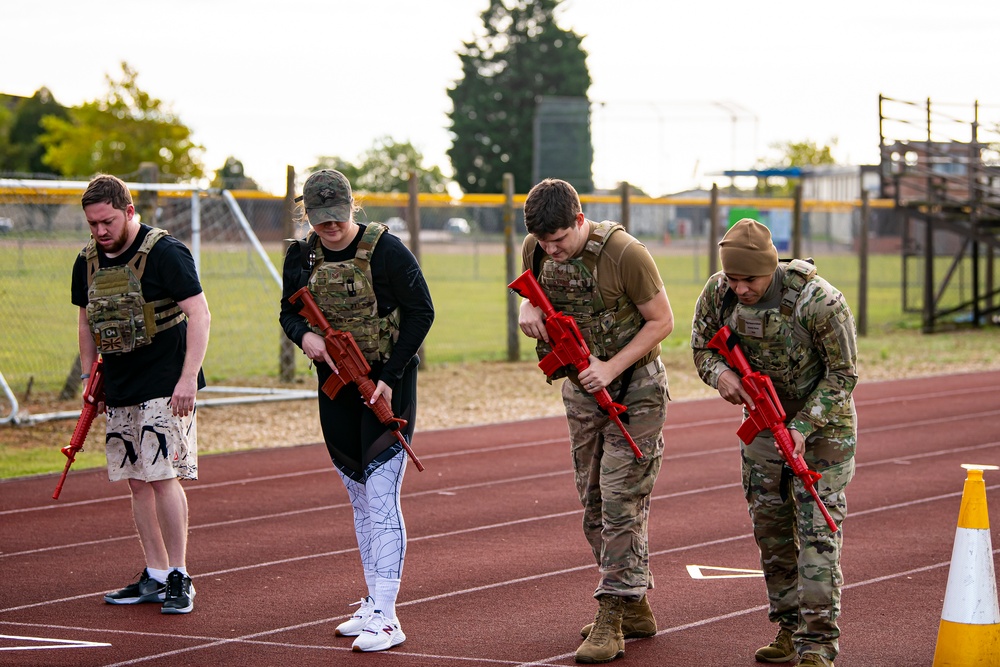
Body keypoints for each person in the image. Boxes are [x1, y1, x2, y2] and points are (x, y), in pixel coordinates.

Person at [517, 178, 673, 664]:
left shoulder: (625, 254)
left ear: (580, 221)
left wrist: (610, 367)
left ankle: (611, 618)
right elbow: (535, 292)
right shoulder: (537, 250)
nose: (551, 250)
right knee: (593, 501)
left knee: (621, 498)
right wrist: (526, 305)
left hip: (637, 390)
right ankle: (636, 606)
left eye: (560, 239)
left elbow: (663, 320)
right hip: (582, 392)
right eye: (544, 242)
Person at [690, 218, 858, 667]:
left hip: (823, 430)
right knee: (771, 531)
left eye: (751, 279)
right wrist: (720, 375)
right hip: (762, 426)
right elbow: (701, 346)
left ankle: (818, 644)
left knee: (818, 534)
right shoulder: (718, 293)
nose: (741, 288)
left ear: (771, 268)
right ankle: (788, 628)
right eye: (733, 278)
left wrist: (802, 427)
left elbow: (844, 375)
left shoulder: (819, 301)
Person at [279, 170, 434, 653]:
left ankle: (388, 616)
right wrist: (307, 337)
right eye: (321, 220)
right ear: (307, 214)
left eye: (338, 218)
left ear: (353, 208)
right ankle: (372, 600)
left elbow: (421, 312)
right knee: (360, 498)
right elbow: (288, 312)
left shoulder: (387, 250)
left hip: (387, 386)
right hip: (336, 390)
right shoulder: (300, 255)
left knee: (383, 498)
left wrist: (387, 379)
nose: (331, 227)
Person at [71, 174, 211, 614]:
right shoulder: (88, 261)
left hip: (166, 382)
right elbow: (85, 322)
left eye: (108, 221)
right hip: (120, 384)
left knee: (162, 476)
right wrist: (89, 383)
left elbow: (200, 315)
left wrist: (188, 379)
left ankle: (178, 575)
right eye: (92, 224)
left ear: (129, 212)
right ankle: (153, 574)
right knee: (136, 480)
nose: (100, 231)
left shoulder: (166, 253)